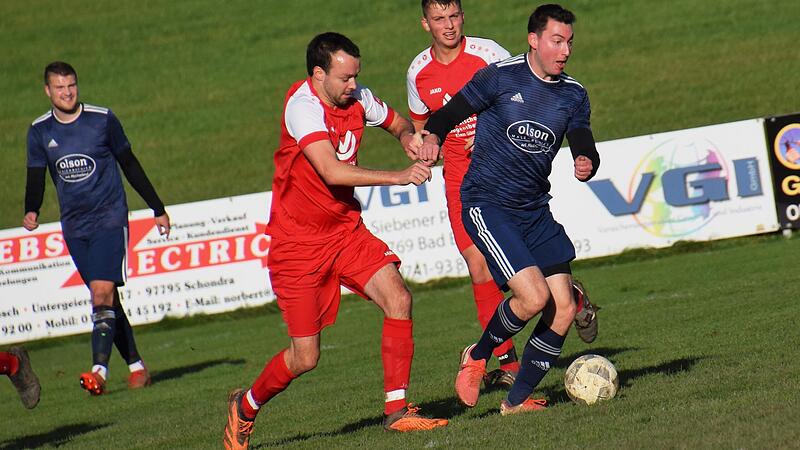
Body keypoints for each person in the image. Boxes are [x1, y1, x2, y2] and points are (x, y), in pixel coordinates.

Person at [223, 32, 447, 450]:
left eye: (356, 76)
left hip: (345, 231)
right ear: (318, 74)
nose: (353, 84)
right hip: (298, 245)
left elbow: (397, 122)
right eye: (345, 78)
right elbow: (332, 171)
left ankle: (397, 412)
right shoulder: (302, 107)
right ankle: (245, 407)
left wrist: (408, 139)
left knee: (398, 299)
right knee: (305, 357)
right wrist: (399, 177)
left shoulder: (357, 96)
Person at [418, 4, 601, 415]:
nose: (565, 51)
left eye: (569, 42)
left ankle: (515, 402)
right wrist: (432, 138)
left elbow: (582, 135)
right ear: (533, 40)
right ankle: (478, 355)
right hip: (487, 202)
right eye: (557, 41)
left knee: (564, 308)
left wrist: (586, 159)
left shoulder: (573, 93)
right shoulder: (500, 77)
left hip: (534, 209)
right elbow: (448, 114)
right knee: (533, 297)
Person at [23, 61, 170, 396]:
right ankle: (137, 366)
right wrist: (32, 209)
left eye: (71, 85)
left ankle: (98, 372)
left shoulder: (102, 120)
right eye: (59, 87)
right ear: (47, 91)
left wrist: (157, 207)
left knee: (101, 293)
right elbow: (36, 175)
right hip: (75, 227)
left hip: (109, 219)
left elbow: (130, 164)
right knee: (107, 300)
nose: (67, 92)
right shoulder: (40, 131)